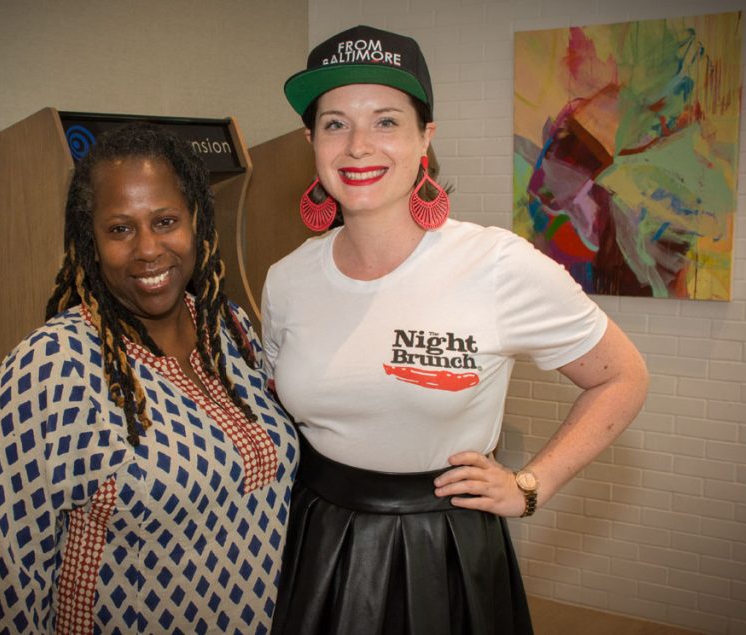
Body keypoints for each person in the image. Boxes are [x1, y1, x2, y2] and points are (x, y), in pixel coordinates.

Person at [263, 25, 648, 634]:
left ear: (425, 138)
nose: (358, 146)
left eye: (386, 121)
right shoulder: (286, 279)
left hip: (444, 544)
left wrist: (531, 486)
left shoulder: (497, 265)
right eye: (336, 124)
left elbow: (622, 376)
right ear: (312, 142)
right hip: (318, 536)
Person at [0, 123, 298, 634]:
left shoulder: (230, 328)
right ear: (90, 241)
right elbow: (3, 583)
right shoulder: (49, 368)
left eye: (165, 221)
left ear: (196, 221)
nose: (148, 249)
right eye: (120, 229)